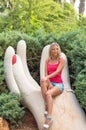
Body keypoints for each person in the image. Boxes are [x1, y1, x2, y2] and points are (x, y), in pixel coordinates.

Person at [40, 42, 66, 130]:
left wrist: (46, 77)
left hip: (59, 84)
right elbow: (45, 72)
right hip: (50, 82)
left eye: (57, 49)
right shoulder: (47, 60)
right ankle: (47, 104)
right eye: (53, 49)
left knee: (48, 94)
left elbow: (57, 72)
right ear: (50, 50)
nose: (55, 51)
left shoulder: (62, 60)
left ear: (59, 50)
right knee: (42, 81)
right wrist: (49, 82)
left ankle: (49, 118)